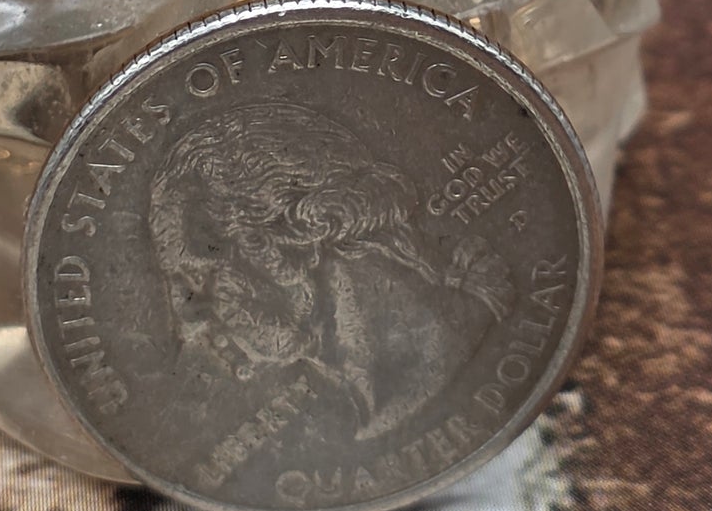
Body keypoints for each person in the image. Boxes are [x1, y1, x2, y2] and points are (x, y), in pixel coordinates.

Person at [149, 99, 514, 441]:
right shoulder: (346, 418)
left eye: (196, 275)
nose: (187, 321)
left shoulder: (475, 335)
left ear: (300, 235)